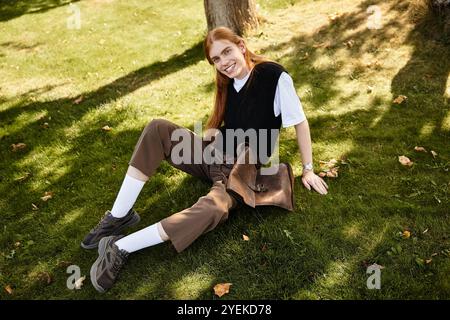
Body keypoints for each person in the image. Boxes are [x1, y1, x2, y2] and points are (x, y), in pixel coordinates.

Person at [83, 26, 328, 293]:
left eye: (227, 52)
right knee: (157, 129)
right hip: (214, 154)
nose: (224, 63)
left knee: (214, 209)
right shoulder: (228, 82)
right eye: (216, 59)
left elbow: (300, 123)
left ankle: (120, 246)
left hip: (241, 172)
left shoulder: (274, 77)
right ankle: (119, 216)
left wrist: (308, 170)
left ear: (242, 46)